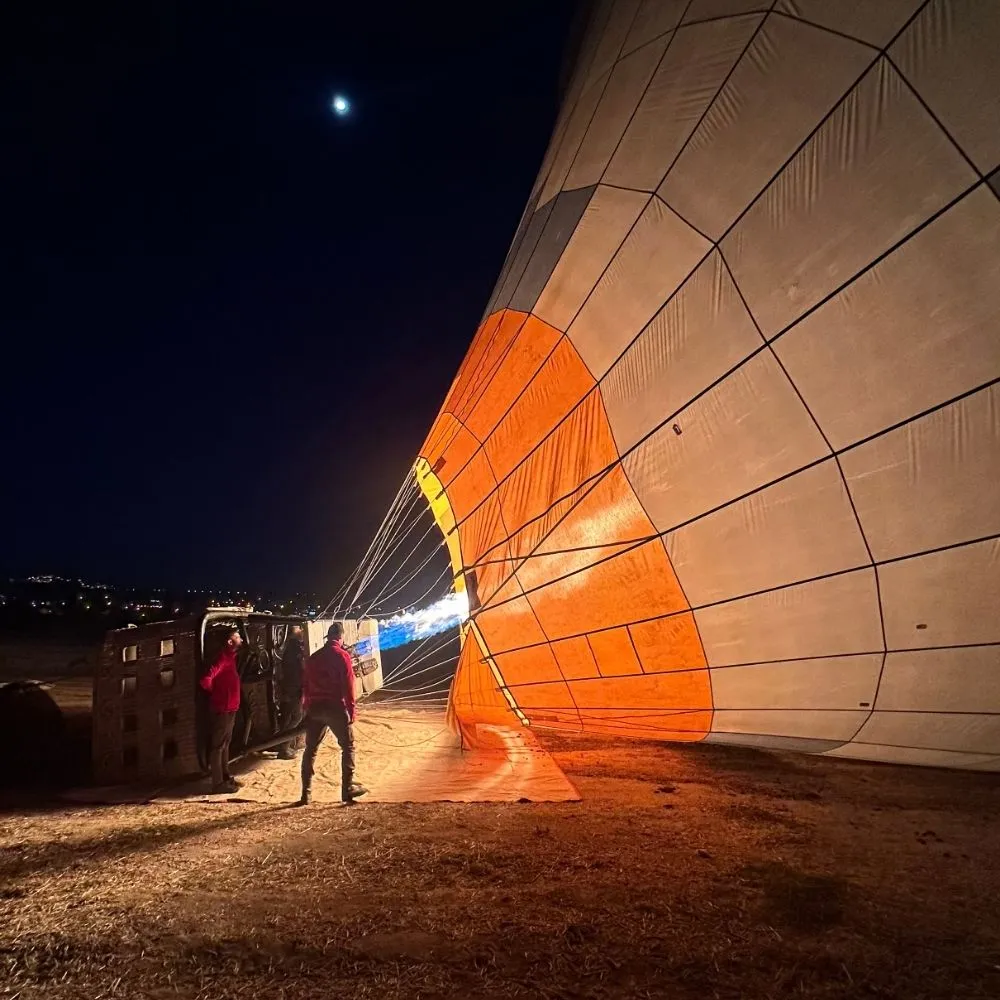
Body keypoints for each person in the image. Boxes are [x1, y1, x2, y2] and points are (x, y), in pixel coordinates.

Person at [298, 622, 367, 805]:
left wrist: (307, 705)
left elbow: (305, 684)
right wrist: (351, 710)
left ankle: (306, 793)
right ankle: (348, 789)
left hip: (315, 708)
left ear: (328, 637)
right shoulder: (342, 656)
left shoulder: (313, 658)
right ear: (341, 637)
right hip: (335, 707)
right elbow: (348, 686)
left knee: (310, 750)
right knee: (348, 746)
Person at [200, 627, 243, 794]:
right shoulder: (222, 658)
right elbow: (205, 680)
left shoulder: (230, 658)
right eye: (238, 637)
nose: (241, 640)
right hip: (222, 708)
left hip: (230, 706)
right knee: (218, 746)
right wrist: (217, 693)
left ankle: (226, 777)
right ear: (229, 641)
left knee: (225, 744)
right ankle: (217, 783)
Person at [276, 625, 306, 759]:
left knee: (288, 717)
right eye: (299, 628)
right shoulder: (294, 649)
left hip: (290, 687)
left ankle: (283, 744)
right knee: (296, 717)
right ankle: (284, 748)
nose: (302, 631)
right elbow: (295, 670)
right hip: (293, 688)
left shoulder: (290, 647)